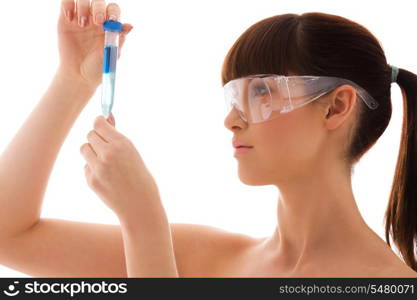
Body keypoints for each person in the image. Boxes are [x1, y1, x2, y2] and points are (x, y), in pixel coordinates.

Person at [0, 0, 416, 278]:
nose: (232, 120)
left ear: (337, 107)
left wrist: (145, 226)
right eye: (234, 96)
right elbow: (9, 234)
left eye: (261, 92)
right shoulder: (214, 258)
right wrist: (72, 81)